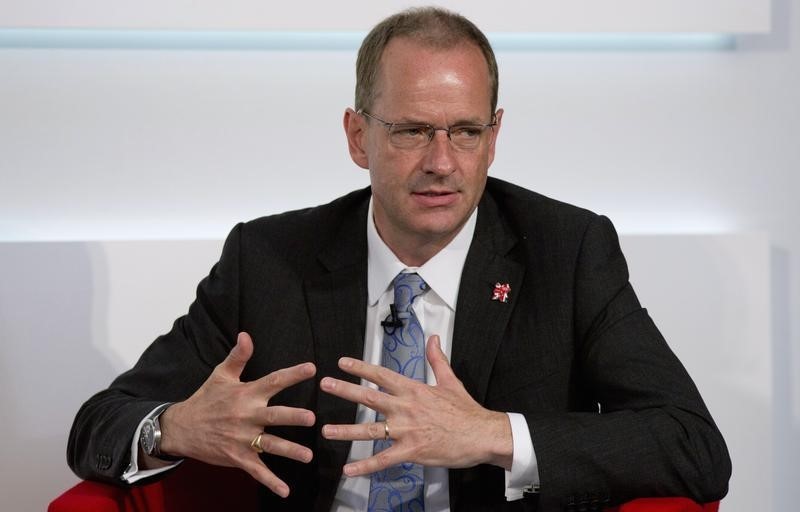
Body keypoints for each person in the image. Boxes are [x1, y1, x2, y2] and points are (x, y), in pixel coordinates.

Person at [67, 6, 731, 512]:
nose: (442, 163)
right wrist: (173, 426)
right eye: (413, 131)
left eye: (466, 132)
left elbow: (694, 448)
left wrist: (493, 435)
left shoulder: (568, 252)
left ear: (494, 136)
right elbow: (97, 424)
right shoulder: (269, 259)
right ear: (359, 137)